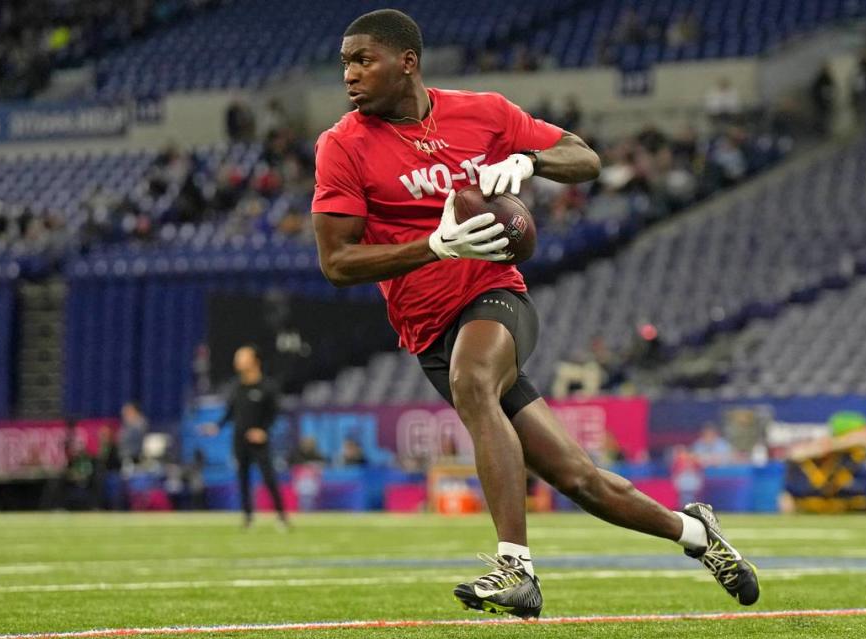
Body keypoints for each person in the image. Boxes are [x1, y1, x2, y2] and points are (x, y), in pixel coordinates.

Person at [311, 9, 759, 620]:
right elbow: (336, 263)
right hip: (427, 329)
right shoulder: (342, 145)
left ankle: (515, 570)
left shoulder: (485, 111)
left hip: (494, 296)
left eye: (363, 59)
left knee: (475, 382)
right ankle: (697, 534)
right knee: (579, 479)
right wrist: (435, 246)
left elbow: (585, 158)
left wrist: (529, 163)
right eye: (346, 63)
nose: (350, 75)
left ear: (407, 61)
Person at [209, 344, 289, 528]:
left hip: (260, 441)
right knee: (242, 477)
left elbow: (274, 413)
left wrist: (263, 431)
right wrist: (217, 426)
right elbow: (231, 412)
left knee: (269, 477)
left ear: (254, 361)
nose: (237, 362)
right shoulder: (237, 387)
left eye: (242, 358)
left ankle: (281, 515)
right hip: (239, 439)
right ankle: (247, 516)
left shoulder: (267, 387)